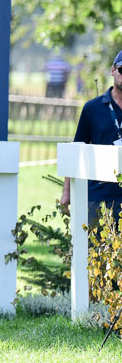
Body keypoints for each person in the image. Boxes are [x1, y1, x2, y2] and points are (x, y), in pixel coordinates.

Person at [60, 50, 122, 229]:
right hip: (97, 196)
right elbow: (75, 149)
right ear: (113, 71)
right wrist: (67, 191)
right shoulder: (92, 108)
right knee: (92, 253)